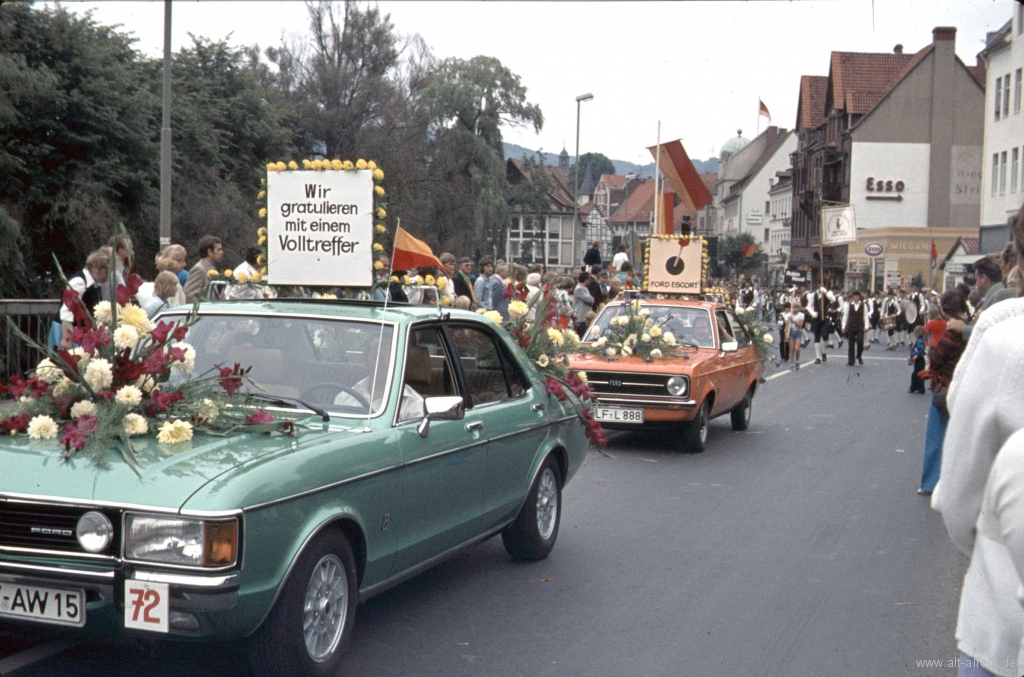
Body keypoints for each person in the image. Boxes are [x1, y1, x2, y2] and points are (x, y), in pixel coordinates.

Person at [918, 291, 968, 496]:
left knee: (936, 438)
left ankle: (931, 483)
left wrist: (931, 366)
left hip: (944, 386)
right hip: (963, 385)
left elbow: (938, 356)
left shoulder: (953, 330)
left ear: (946, 311)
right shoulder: (970, 326)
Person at [60, 250, 109, 349]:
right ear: (95, 268)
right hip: (67, 331)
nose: (107, 276)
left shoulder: (94, 285)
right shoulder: (79, 282)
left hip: (79, 332)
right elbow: (67, 310)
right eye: (106, 272)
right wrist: (66, 338)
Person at [183, 235, 223, 303]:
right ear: (210, 252)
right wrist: (203, 310)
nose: (222, 252)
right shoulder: (199, 269)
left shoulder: (212, 269)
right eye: (219, 250)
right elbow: (189, 295)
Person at [806, 283, 835, 364]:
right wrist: (812, 313)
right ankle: (818, 357)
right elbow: (809, 306)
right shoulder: (813, 295)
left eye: (822, 284)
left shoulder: (828, 293)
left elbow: (833, 300)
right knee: (817, 337)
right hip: (816, 318)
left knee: (825, 336)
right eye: (819, 285)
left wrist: (825, 293)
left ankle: (824, 352)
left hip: (825, 318)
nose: (820, 286)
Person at [841, 290, 868, 366]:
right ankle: (851, 360)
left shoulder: (863, 305)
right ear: (852, 297)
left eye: (857, 296)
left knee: (860, 342)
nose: (856, 298)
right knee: (851, 344)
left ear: (859, 297)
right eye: (854, 296)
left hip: (860, 326)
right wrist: (843, 326)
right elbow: (845, 316)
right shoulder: (849, 305)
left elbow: (865, 316)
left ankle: (859, 356)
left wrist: (866, 326)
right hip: (851, 326)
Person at [573, 270, 595, 336]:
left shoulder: (585, 288)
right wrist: (592, 299)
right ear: (586, 280)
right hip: (582, 316)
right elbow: (590, 299)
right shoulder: (579, 289)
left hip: (586, 315)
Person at [786, 302, 805, 370]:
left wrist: (793, 320)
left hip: (798, 332)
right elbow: (787, 326)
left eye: (797, 307)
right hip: (791, 332)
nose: (795, 309)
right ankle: (791, 363)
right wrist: (786, 335)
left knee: (797, 349)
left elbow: (800, 324)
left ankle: (797, 361)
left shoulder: (801, 315)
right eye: (794, 307)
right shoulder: (789, 315)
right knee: (791, 349)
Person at [907, 326, 926, 394]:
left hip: (919, 359)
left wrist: (916, 355)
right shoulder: (920, 340)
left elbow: (921, 349)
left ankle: (917, 388)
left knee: (917, 374)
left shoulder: (919, 341)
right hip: (919, 359)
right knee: (917, 373)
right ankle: (917, 387)